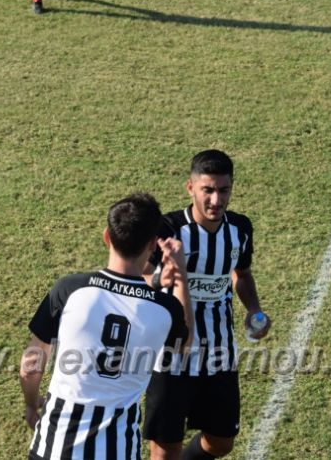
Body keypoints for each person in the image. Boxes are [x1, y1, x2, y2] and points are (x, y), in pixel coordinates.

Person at [20, 192, 192, 459]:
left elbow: (31, 365)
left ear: (107, 237)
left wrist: (31, 404)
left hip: (55, 447)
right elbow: (185, 345)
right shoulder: (164, 309)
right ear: (152, 245)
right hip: (118, 450)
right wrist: (180, 276)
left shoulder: (70, 289)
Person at [142, 149, 271, 459]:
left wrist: (254, 309)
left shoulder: (240, 229)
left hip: (219, 352)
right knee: (164, 451)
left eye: (223, 190)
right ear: (191, 188)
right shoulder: (168, 229)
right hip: (170, 355)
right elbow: (139, 275)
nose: (216, 199)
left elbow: (242, 274)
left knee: (221, 441)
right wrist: (160, 279)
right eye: (207, 190)